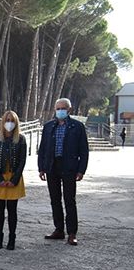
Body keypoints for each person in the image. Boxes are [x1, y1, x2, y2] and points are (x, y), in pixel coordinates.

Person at [38, 98, 89, 246]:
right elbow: (42, 149)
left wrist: (81, 170)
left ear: (69, 110)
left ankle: (72, 233)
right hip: (52, 166)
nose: (60, 111)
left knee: (69, 200)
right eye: (57, 108)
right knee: (55, 199)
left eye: (63, 108)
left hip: (69, 167)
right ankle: (59, 229)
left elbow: (84, 150)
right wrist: (41, 167)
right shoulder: (48, 126)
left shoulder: (77, 127)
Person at [0, 111, 27, 251]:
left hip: (14, 178)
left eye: (12, 120)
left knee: (12, 210)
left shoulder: (21, 139)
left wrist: (14, 180)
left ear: (16, 123)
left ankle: (12, 238)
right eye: (7, 120)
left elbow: (22, 161)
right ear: (2, 122)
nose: (9, 123)